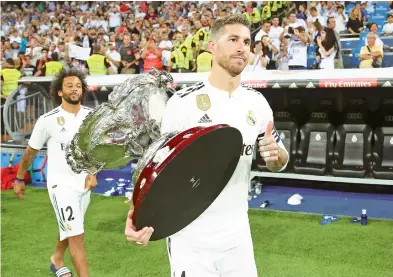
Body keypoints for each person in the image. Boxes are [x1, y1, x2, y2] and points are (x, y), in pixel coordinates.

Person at [125, 14, 289, 277]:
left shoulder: (257, 103)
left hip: (238, 240)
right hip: (190, 241)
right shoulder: (183, 103)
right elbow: (154, 166)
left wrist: (275, 157)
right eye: (233, 39)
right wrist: (136, 214)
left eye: (247, 42)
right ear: (212, 46)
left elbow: (281, 160)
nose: (241, 48)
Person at [13, 69, 96, 277]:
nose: (75, 89)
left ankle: (57, 258)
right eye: (69, 86)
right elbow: (30, 152)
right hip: (61, 185)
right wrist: (19, 178)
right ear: (60, 91)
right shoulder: (47, 120)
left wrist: (93, 172)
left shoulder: (91, 117)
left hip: (84, 185)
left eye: (78, 86)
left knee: (70, 226)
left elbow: (96, 150)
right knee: (76, 236)